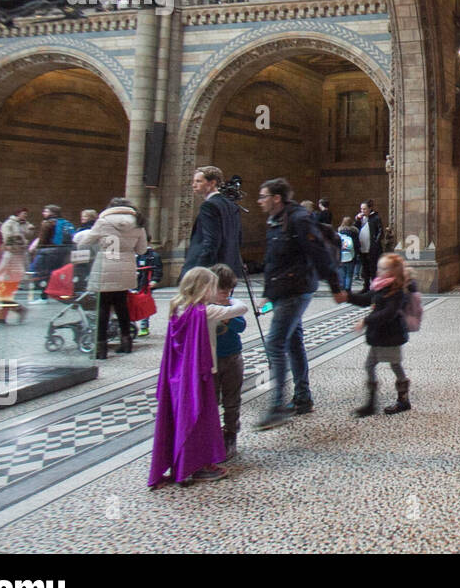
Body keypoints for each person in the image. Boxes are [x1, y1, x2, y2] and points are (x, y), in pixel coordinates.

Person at [253, 177, 348, 431]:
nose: (259, 201)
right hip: (284, 289)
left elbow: (319, 254)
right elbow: (273, 261)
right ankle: (303, 398)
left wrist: (336, 286)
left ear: (276, 198)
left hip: (297, 289)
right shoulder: (276, 220)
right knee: (293, 342)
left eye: (263, 196)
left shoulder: (298, 219)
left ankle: (277, 407)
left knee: (275, 342)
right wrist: (268, 294)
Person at [147, 267, 246, 487]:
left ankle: (179, 464)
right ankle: (200, 466)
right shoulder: (205, 311)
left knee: (179, 419)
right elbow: (242, 308)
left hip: (178, 375)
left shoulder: (177, 307)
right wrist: (229, 301)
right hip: (200, 374)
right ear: (205, 289)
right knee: (201, 420)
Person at [346, 251, 419, 417]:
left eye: (383, 269)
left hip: (391, 337)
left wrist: (366, 321)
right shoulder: (380, 286)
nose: (379, 271)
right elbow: (365, 299)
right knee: (370, 365)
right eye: (379, 268)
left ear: (393, 272)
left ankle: (403, 399)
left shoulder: (398, 292)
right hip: (378, 336)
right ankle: (371, 403)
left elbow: (388, 313)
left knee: (395, 365)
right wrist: (348, 297)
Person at [76, 198, 149, 358]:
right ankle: (126, 342)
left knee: (103, 307)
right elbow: (142, 249)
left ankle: (101, 347)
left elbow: (85, 242)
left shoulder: (103, 221)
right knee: (122, 305)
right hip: (126, 267)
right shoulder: (138, 222)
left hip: (106, 264)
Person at [208, 264, 248, 461]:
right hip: (210, 361)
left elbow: (241, 325)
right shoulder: (204, 307)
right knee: (211, 400)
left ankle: (230, 432)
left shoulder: (232, 307)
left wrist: (226, 317)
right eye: (220, 289)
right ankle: (213, 436)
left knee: (232, 400)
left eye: (228, 290)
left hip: (232, 358)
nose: (225, 294)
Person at [181, 166, 243, 278]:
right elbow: (238, 238)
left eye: (199, 181)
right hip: (227, 267)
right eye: (193, 181)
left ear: (212, 183)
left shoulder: (209, 206)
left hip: (210, 269)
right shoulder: (231, 205)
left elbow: (211, 241)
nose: (193, 185)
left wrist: (199, 270)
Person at [134, 241, 164, 337]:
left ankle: (144, 326)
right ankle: (132, 325)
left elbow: (158, 269)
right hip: (133, 283)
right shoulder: (135, 255)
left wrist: (154, 280)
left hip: (145, 284)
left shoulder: (153, 256)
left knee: (144, 305)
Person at [354, 200, 384, 286]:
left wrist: (375, 242)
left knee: (373, 268)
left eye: (364, 209)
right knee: (365, 268)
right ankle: (366, 286)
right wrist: (357, 220)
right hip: (362, 247)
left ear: (370, 208)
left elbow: (380, 231)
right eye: (361, 209)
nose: (362, 211)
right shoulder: (361, 218)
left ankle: (375, 286)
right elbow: (355, 229)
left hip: (372, 248)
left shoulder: (375, 217)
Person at [337, 217, 359, 290]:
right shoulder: (354, 232)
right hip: (351, 255)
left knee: (342, 274)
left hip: (341, 255)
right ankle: (348, 290)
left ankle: (342, 289)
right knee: (349, 275)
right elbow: (357, 244)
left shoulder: (339, 232)